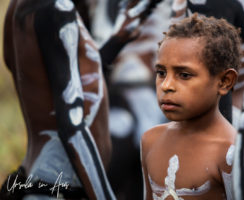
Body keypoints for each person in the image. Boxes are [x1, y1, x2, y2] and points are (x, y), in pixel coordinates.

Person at [0, 0, 162, 199]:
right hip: (63, 186)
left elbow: (56, 82)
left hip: (38, 181)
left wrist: (117, 40)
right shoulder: (59, 8)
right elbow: (72, 125)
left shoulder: (19, 8)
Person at [141, 14, 241, 200]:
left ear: (224, 81)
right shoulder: (150, 140)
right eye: (161, 72)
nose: (166, 85)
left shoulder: (230, 153)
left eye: (184, 75)